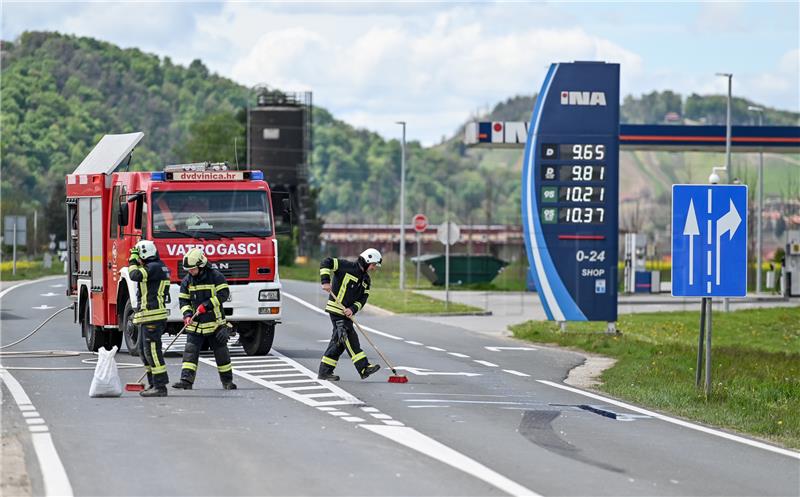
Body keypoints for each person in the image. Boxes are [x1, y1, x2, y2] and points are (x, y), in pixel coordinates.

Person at [172, 247, 237, 390]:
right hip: (195, 325)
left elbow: (223, 294)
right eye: (188, 270)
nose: (190, 272)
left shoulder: (216, 276)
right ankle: (186, 381)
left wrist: (206, 305)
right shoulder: (187, 281)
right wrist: (187, 315)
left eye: (193, 269)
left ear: (201, 266)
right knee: (190, 353)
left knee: (221, 354)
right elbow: (184, 301)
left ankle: (227, 382)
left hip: (215, 324)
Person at [317, 248, 383, 381]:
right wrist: (325, 281)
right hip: (336, 309)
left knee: (339, 341)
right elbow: (326, 262)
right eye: (373, 265)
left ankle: (325, 371)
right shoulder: (346, 266)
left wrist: (352, 309)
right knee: (348, 335)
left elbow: (363, 299)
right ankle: (363, 367)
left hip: (347, 314)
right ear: (367, 260)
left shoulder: (366, 280)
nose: (374, 268)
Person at [128, 240, 171, 397]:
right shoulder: (156, 267)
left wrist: (132, 259)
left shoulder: (153, 268)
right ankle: (153, 383)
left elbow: (134, 275)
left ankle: (160, 386)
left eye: (139, 256)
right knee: (143, 351)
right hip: (148, 316)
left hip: (153, 316)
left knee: (152, 351)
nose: (138, 259)